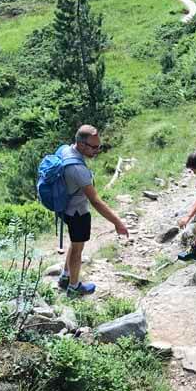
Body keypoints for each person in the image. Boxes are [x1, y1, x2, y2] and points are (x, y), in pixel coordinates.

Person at [57, 125, 129, 296]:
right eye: (94, 147)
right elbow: (96, 201)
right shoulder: (78, 169)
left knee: (75, 244)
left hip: (65, 208)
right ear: (81, 145)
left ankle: (65, 276)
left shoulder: (66, 150)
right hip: (77, 213)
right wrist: (118, 223)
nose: (98, 150)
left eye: (99, 146)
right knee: (77, 250)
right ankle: (74, 288)